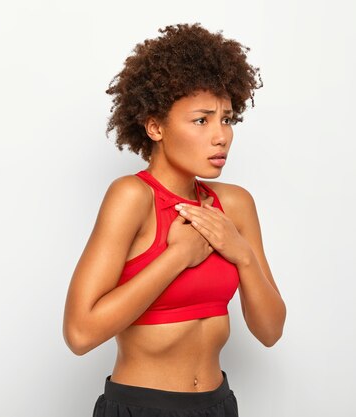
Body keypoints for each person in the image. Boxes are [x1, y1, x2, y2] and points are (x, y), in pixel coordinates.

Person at [62, 23, 286, 417]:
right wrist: (176, 257)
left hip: (218, 405)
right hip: (142, 407)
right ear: (155, 126)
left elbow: (270, 332)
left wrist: (242, 255)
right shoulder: (132, 197)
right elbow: (80, 334)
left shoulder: (234, 205)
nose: (221, 136)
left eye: (227, 119)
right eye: (202, 120)